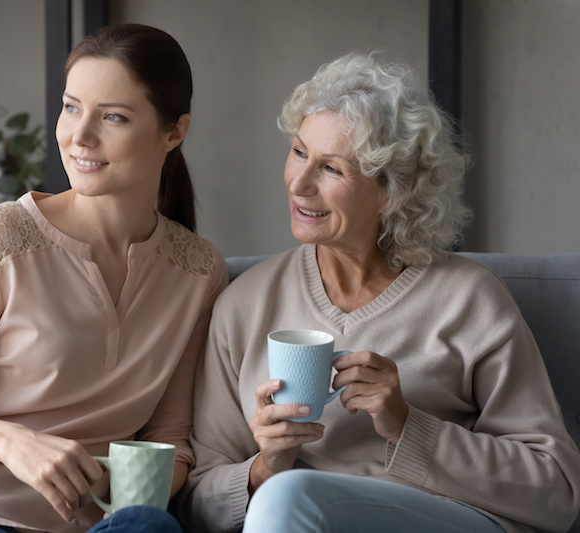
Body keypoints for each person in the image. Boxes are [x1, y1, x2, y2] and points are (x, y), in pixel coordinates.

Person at [177, 52, 580, 533]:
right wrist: (267, 465)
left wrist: (407, 426)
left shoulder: (470, 301)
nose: (299, 184)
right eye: (300, 152)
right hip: (289, 518)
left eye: (332, 169)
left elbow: (557, 492)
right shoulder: (245, 304)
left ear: (393, 191)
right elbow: (196, 504)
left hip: (444, 521)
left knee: (292, 497)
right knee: (286, 494)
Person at [0, 24, 227, 533]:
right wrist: (12, 442)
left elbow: (169, 438)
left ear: (174, 132)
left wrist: (124, 502)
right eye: (71, 107)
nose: (79, 136)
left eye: (114, 117)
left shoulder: (197, 272)